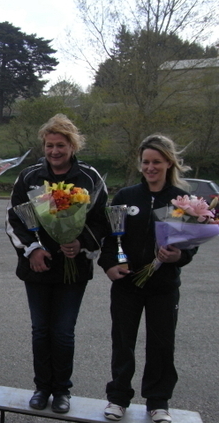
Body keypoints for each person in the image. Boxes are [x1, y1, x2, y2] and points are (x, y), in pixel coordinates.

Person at [5, 114, 108, 413]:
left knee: (63, 331)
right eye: (49, 145)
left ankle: (62, 391)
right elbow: (14, 218)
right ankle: (41, 388)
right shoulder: (29, 177)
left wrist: (83, 243)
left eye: (60, 145)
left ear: (72, 145)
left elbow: (102, 220)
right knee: (40, 330)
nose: (54, 151)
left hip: (73, 269)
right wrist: (33, 249)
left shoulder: (90, 178)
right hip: (37, 266)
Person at [98, 135, 197, 423]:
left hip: (163, 287)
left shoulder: (182, 201)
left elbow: (189, 245)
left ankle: (158, 402)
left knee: (162, 344)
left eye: (156, 162)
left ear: (169, 162)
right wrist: (111, 265)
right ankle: (118, 398)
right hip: (127, 284)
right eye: (146, 162)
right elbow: (109, 237)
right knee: (122, 342)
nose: (150, 167)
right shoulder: (127, 197)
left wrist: (178, 257)